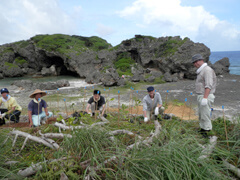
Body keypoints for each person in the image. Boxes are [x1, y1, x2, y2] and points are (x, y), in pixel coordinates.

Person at [192, 54, 217, 137]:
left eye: (197, 61)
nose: (195, 64)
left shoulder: (207, 70)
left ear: (201, 60)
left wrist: (205, 98)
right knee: (201, 114)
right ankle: (203, 129)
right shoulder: (201, 70)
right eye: (194, 62)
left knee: (205, 114)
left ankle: (207, 132)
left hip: (206, 95)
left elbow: (208, 85)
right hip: (201, 95)